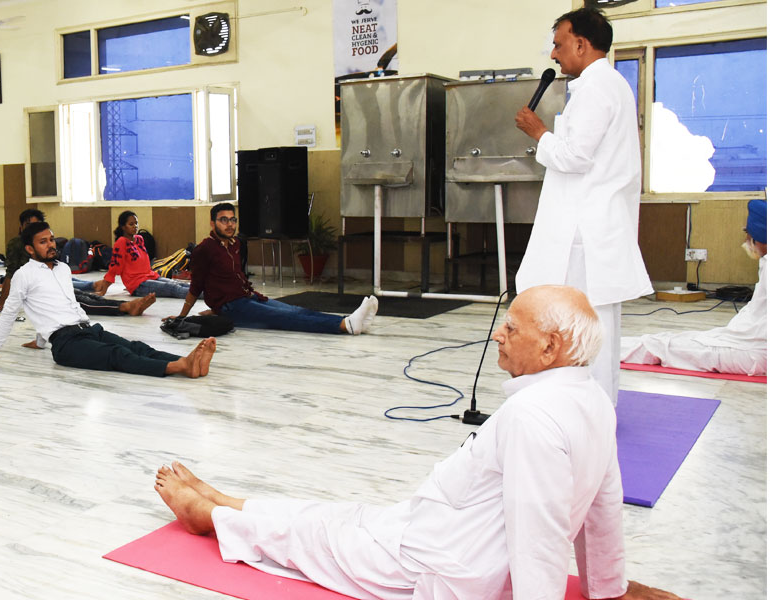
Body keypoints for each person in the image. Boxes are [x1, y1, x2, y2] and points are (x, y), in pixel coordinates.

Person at [153, 285, 680, 600]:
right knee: (325, 514)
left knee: (311, 535)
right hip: (434, 533)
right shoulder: (589, 399)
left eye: (512, 328)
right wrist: (608, 588)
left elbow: (537, 534)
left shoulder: (535, 417)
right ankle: (224, 499)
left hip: (433, 564)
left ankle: (212, 518)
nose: (498, 333)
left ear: (550, 345)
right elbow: (604, 504)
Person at [514, 7, 652, 405]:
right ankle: (590, 407)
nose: (554, 55)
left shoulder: (596, 88)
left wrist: (538, 132)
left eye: (558, 45)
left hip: (586, 232)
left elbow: (576, 157)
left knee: (584, 326)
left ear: (581, 43)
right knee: (591, 326)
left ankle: (589, 410)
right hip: (593, 226)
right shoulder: (607, 85)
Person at [0, 221, 214, 378]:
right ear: (30, 250)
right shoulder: (24, 275)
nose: (51, 245)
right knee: (118, 354)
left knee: (136, 346)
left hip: (88, 329)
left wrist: (39, 340)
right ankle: (179, 367)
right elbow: (10, 313)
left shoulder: (62, 269)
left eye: (51, 239)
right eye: (43, 242)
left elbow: (53, 308)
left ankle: (184, 361)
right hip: (67, 345)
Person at [173, 203, 377, 335]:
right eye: (223, 220)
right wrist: (183, 316)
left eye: (232, 220)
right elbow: (196, 286)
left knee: (296, 309)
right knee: (288, 319)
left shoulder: (234, 244)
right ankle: (345, 326)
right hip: (234, 307)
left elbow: (232, 279)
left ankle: (348, 320)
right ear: (212, 223)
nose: (229, 224)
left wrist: (215, 307)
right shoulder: (204, 249)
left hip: (247, 298)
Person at [621, 200, 767, 376]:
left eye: (747, 233)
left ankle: (601, 350)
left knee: (661, 346)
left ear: (760, 235)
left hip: (753, 353)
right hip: (750, 345)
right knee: (680, 340)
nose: (746, 240)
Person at [0, 209, 156, 317]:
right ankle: (125, 307)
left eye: (38, 226)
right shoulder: (17, 245)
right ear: (21, 228)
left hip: (54, 285)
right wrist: (1, 304)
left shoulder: (46, 243)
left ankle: (123, 304)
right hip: (38, 292)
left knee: (86, 297)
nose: (34, 230)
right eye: (29, 226)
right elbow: (10, 274)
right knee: (79, 304)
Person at [95, 210, 190, 299]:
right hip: (138, 284)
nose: (135, 226)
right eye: (131, 224)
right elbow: (115, 267)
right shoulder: (121, 242)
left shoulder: (139, 239)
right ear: (123, 227)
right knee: (173, 288)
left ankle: (202, 289)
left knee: (176, 283)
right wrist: (104, 291)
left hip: (150, 276)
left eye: (136, 223)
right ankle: (202, 295)